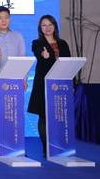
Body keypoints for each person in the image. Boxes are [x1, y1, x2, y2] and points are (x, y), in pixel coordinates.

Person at [0, 6, 26, 158]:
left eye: (6, 17)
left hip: (15, 75)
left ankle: (14, 144)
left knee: (14, 111)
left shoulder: (18, 36)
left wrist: (23, 78)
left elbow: (22, 57)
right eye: (0, 18)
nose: (3, 20)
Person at [29, 15, 70, 157]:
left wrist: (71, 83)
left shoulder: (63, 43)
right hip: (44, 84)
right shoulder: (37, 43)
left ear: (55, 26)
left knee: (60, 116)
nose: (47, 28)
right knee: (44, 116)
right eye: (44, 25)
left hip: (61, 85)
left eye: (50, 24)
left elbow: (68, 62)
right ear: (40, 28)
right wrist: (44, 55)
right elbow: (38, 53)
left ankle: (60, 147)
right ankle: (46, 148)